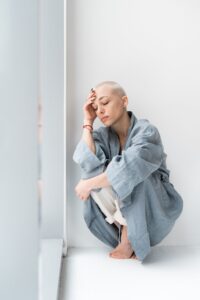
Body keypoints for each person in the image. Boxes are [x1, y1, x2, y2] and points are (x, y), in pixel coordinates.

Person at [72, 81, 183, 262]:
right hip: (119, 212)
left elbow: (131, 166)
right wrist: (88, 121)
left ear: (124, 101)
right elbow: (86, 161)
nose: (99, 110)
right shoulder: (103, 135)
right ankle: (126, 230)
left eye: (105, 102)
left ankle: (129, 239)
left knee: (135, 172)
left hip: (155, 209)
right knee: (92, 166)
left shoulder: (147, 131)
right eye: (95, 106)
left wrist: (88, 184)